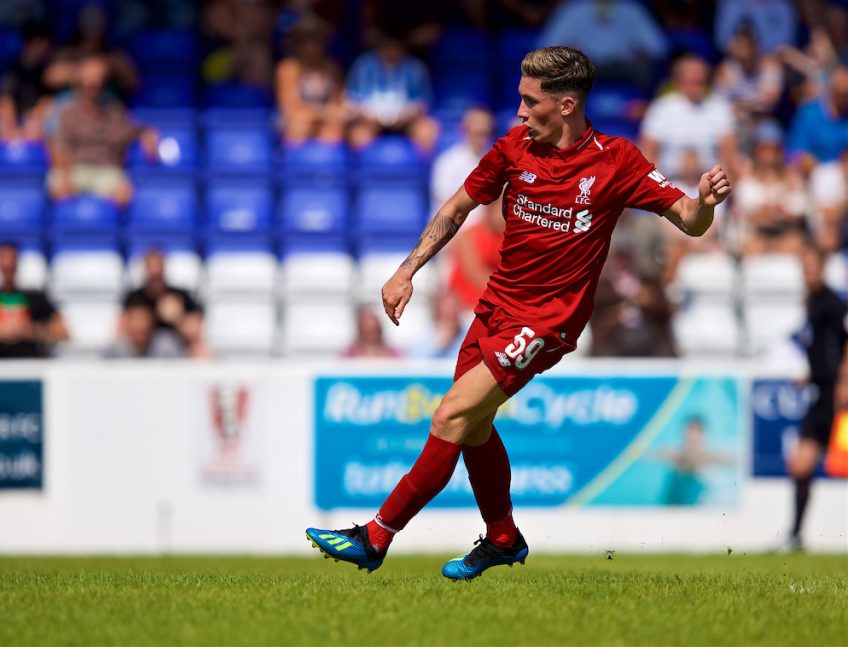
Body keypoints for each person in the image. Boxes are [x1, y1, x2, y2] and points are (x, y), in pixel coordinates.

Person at [306, 46, 732, 579]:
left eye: (531, 101)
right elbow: (458, 206)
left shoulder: (616, 161)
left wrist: (706, 202)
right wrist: (406, 270)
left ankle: (375, 536)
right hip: (495, 308)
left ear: (568, 104)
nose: (520, 111)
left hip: (548, 320)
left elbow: (689, 221)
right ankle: (503, 539)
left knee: (451, 415)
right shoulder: (513, 147)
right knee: (475, 427)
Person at [786, 242, 848, 550]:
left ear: (822, 268)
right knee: (799, 466)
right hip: (820, 392)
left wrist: (844, 381)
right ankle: (795, 536)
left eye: (812, 266)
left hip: (836, 395)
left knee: (804, 465)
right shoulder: (812, 302)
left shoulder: (832, 304)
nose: (808, 272)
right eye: (804, 267)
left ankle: (795, 535)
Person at [48, 54, 157, 207]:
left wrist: (147, 133)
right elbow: (59, 148)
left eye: (98, 84)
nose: (93, 89)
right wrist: (66, 176)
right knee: (59, 189)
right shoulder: (67, 113)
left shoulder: (114, 110)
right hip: (75, 169)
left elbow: (133, 129)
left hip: (107, 171)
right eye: (89, 84)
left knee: (125, 193)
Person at [0, 242, 69, 358]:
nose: (7, 264)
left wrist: (31, 330)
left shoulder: (36, 296)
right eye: (3, 258)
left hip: (30, 364)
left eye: (12, 258)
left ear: (18, 262)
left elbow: (63, 332)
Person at [640, 54, 738, 181]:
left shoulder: (719, 108)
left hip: (710, 183)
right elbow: (649, 154)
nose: (696, 86)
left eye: (700, 82)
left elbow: (728, 154)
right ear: (679, 81)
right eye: (691, 81)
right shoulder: (661, 108)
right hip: (671, 182)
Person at [538, 0, 668, 90]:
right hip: (584, 65)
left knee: (645, 68)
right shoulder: (573, 9)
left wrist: (641, 53)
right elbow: (546, 45)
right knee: (562, 68)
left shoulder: (632, 9)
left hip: (625, 65)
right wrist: (569, 51)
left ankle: (643, 109)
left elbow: (658, 47)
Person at [344, 33, 439, 153]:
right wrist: (367, 115)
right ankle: (364, 170)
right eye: (388, 46)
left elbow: (422, 104)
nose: (392, 50)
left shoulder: (415, 67)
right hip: (369, 120)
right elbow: (352, 101)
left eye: (396, 47)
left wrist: (406, 115)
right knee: (358, 134)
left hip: (406, 120)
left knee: (427, 128)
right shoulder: (363, 65)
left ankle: (424, 170)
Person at [734, 121, 810, 255]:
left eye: (775, 148)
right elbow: (749, 216)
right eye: (765, 148)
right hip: (757, 237)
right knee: (752, 247)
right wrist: (777, 213)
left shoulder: (793, 178)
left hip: (786, 236)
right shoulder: (747, 179)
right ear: (757, 150)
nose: (770, 153)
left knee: (796, 243)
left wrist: (771, 213)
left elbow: (798, 215)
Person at [0, 22, 55, 144]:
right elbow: (4, 102)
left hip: (34, 120)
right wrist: (12, 128)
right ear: (31, 43)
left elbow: (48, 102)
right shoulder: (12, 70)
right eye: (41, 44)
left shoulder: (45, 71)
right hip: (12, 120)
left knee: (35, 128)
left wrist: (34, 116)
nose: (44, 49)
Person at [123, 250, 207, 357]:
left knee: (195, 350)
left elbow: (196, 333)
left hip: (175, 350)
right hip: (139, 350)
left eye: (157, 267)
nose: (154, 272)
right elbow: (118, 331)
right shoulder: (134, 297)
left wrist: (177, 318)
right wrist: (138, 326)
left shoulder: (179, 296)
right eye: (151, 267)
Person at [275, 19, 345, 145]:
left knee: (333, 133)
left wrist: (325, 115)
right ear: (297, 45)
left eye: (316, 41)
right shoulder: (288, 69)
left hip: (325, 121)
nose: (311, 46)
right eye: (305, 41)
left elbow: (338, 105)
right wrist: (318, 113)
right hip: (296, 121)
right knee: (298, 129)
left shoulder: (331, 69)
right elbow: (289, 107)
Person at [430, 108, 495, 218]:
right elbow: (446, 206)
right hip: (456, 227)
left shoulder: (496, 159)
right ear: (464, 131)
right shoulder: (447, 162)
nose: (482, 139)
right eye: (477, 133)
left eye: (485, 133)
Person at [787, 65, 848, 177]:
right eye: (840, 92)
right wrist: (805, 161)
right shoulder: (808, 113)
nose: (843, 98)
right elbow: (794, 152)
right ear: (831, 89)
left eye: (846, 94)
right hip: (811, 175)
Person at [104, 292, 187, 358]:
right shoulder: (117, 350)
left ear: (152, 321)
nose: (140, 326)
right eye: (135, 320)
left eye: (143, 319)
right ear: (127, 322)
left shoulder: (166, 344)